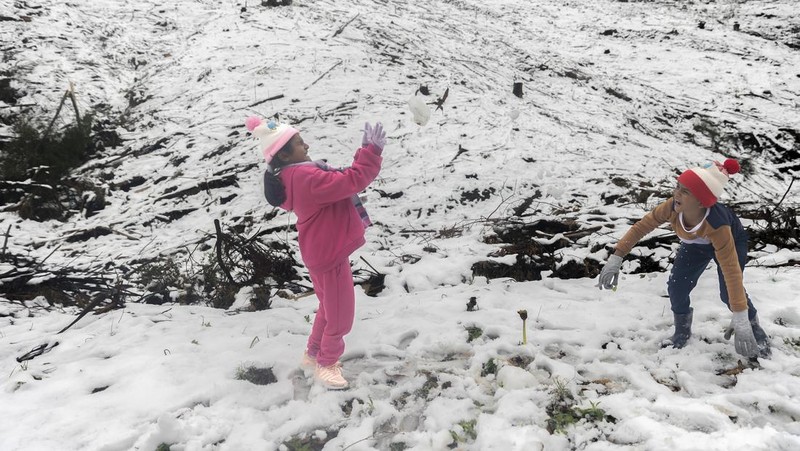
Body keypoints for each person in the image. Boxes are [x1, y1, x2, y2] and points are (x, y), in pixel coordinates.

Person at [245, 116, 385, 389]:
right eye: (299, 143)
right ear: (283, 154)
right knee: (341, 313)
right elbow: (352, 180)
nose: (306, 145)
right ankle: (327, 364)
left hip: (319, 250)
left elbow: (338, 180)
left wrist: (363, 152)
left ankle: (312, 354)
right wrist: (372, 153)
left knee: (328, 307)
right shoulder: (305, 177)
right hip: (329, 253)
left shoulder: (291, 175)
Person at [597, 159, 771, 359]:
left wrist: (739, 315)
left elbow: (731, 270)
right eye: (678, 187)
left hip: (731, 243)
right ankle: (682, 330)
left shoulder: (717, 225)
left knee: (727, 292)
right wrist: (617, 257)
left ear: (701, 201)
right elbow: (642, 227)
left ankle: (753, 326)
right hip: (695, 246)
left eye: (686, 191)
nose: (677, 193)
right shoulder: (671, 207)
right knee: (677, 287)